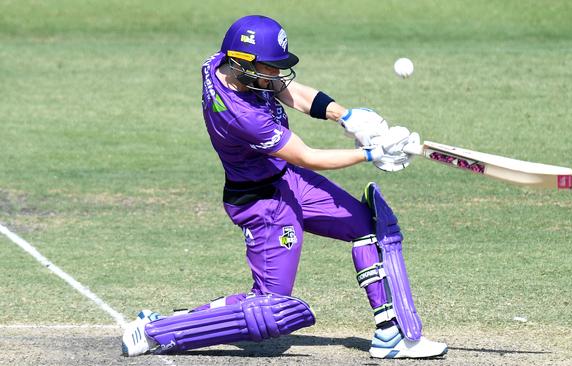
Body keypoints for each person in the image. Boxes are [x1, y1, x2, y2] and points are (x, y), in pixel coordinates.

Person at [121, 15, 447, 359]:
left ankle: (392, 335)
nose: (276, 75)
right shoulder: (242, 116)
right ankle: (158, 329)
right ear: (241, 63)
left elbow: (290, 92)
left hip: (286, 179)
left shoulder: (222, 63)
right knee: (269, 309)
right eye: (269, 67)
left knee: (368, 227)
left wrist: (347, 117)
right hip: (263, 205)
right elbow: (307, 156)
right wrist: (370, 152)